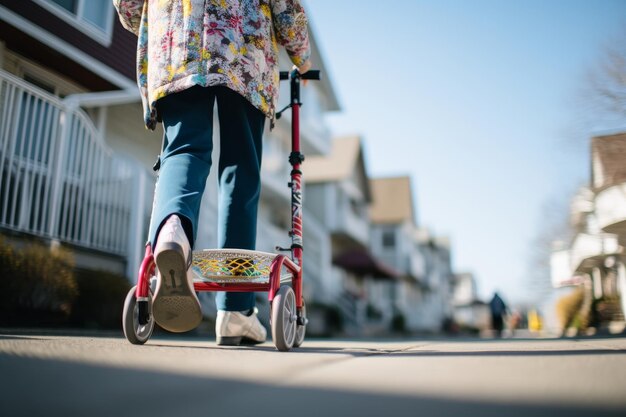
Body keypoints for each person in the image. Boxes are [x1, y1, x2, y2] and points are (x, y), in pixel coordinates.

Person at [113, 0, 311, 345]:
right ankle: (235, 310)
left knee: (182, 148)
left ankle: (173, 230)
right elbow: (285, 8)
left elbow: (128, 5)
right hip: (243, 43)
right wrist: (301, 56)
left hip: (176, 38)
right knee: (240, 168)